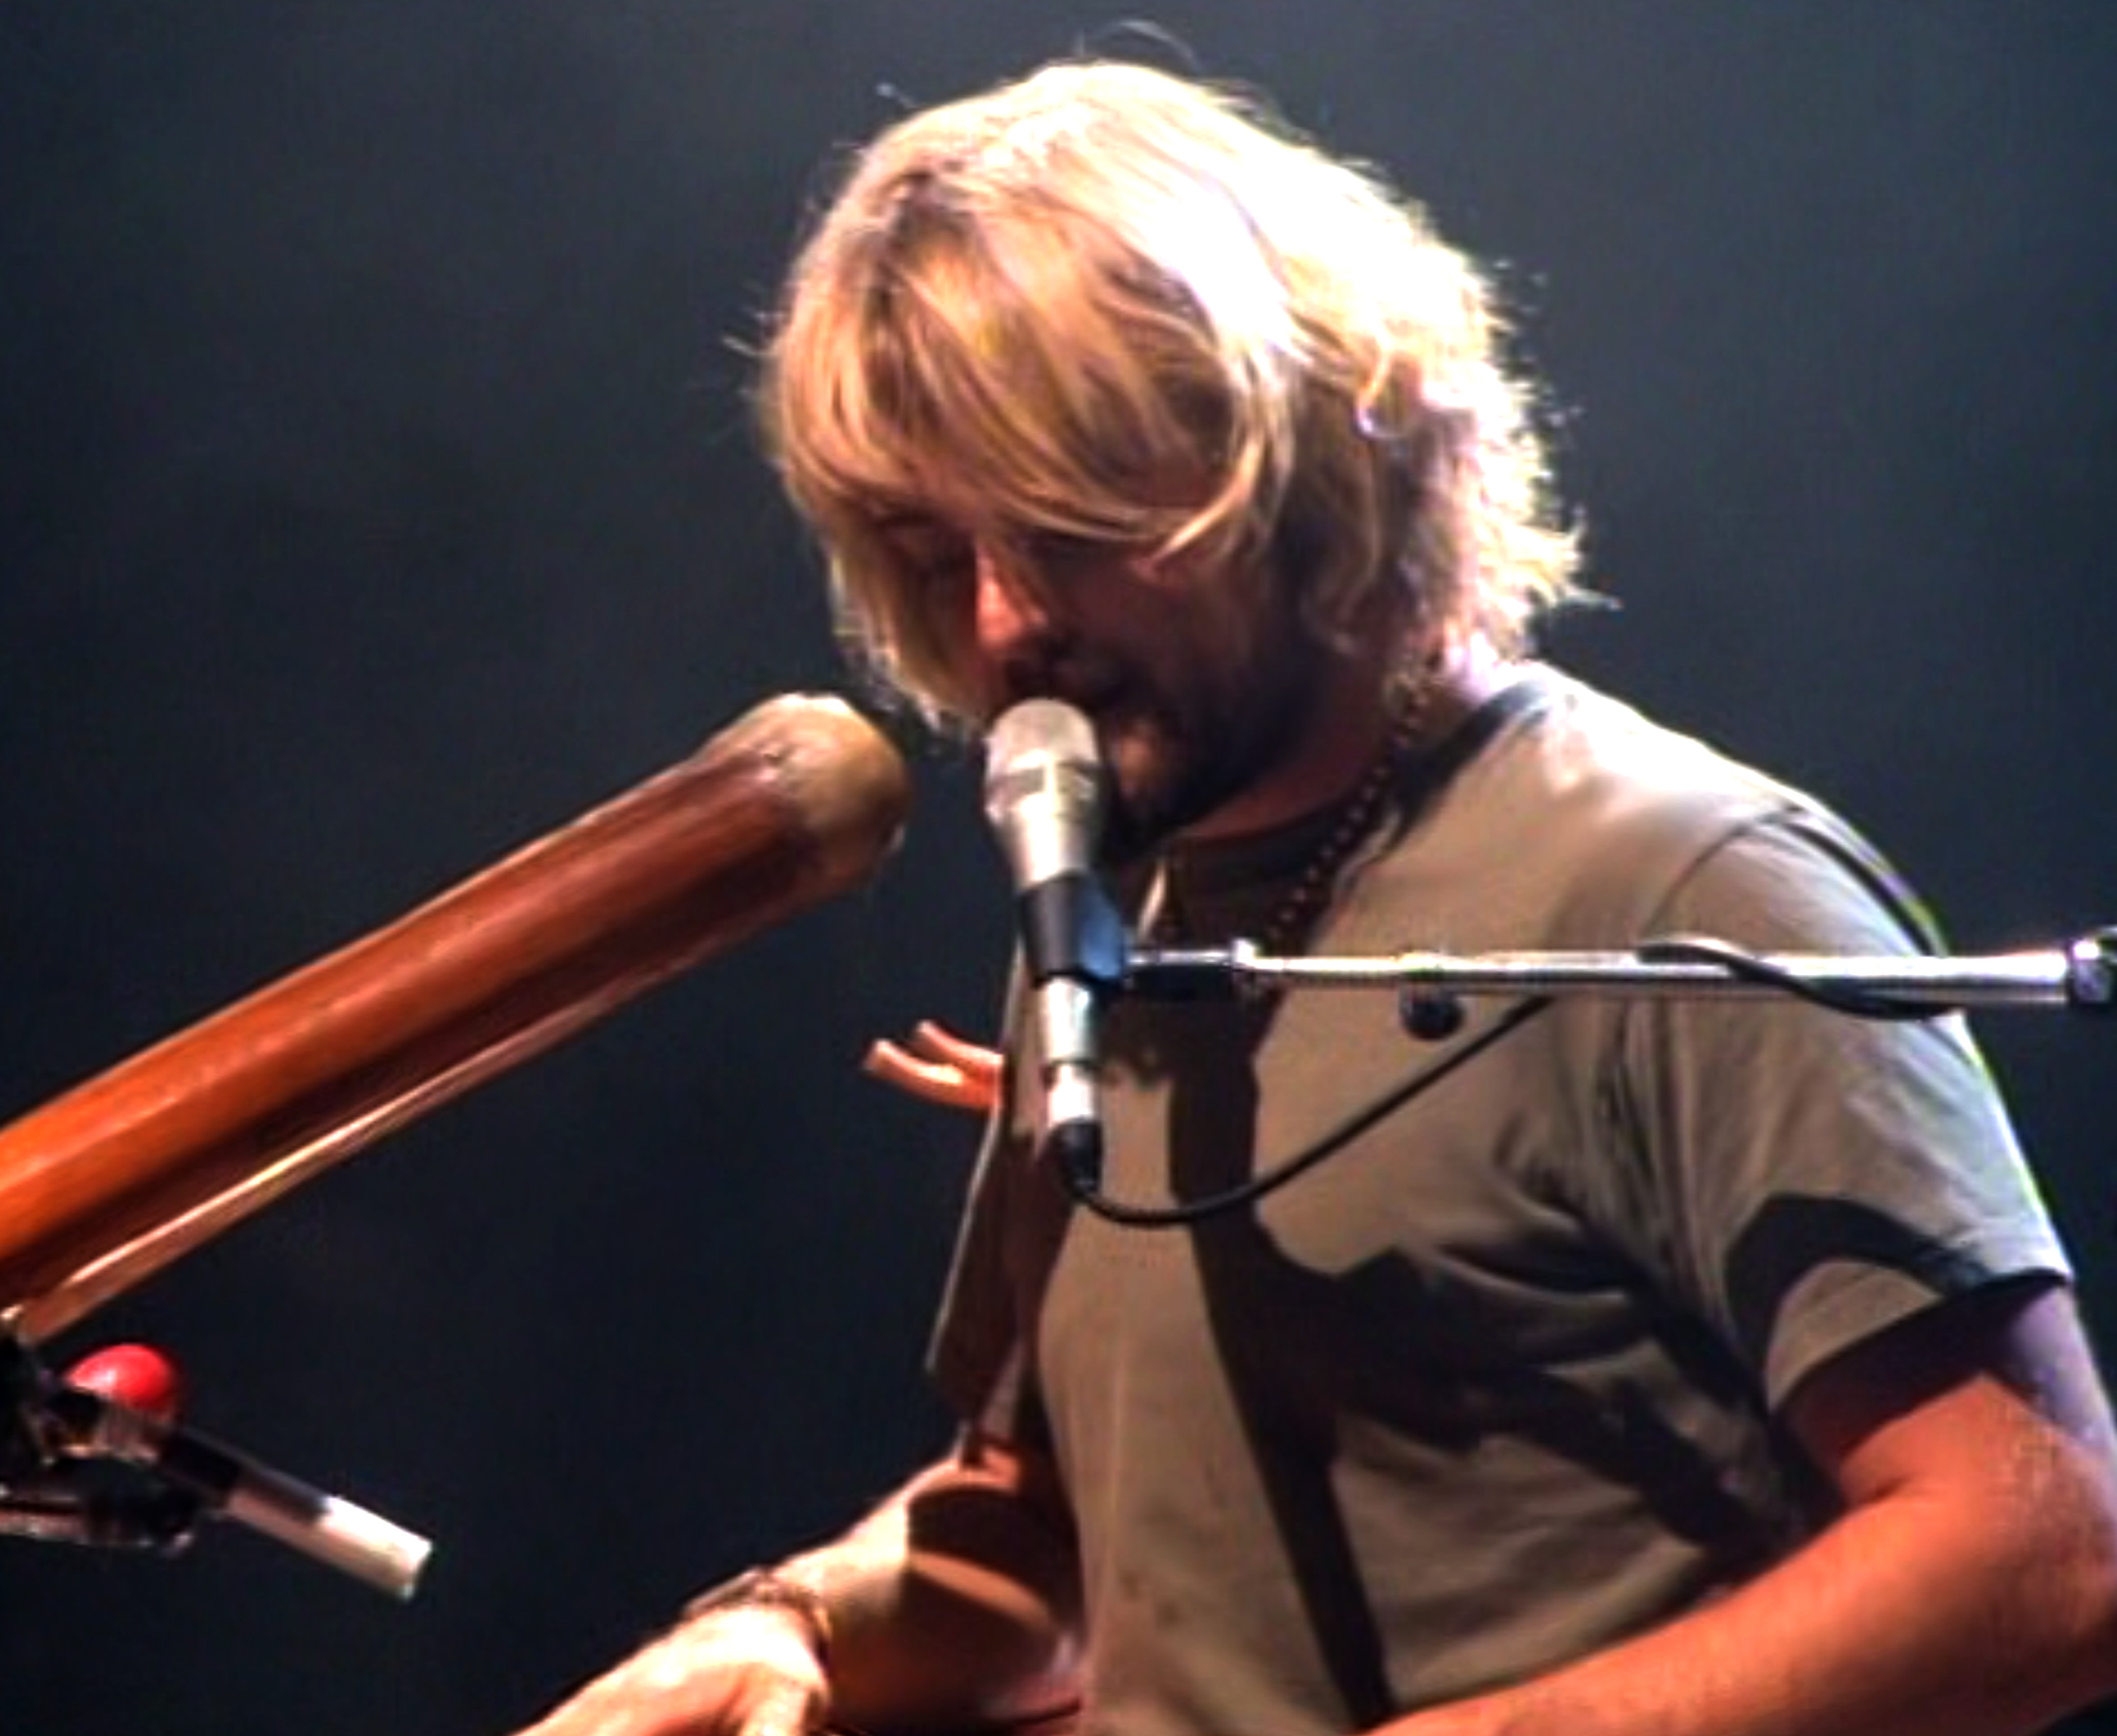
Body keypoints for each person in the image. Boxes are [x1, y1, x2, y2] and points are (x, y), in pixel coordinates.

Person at [513, 59, 2117, 1736]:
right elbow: (1060, 1531)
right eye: (931, 560)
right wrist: (799, 1633)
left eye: (1060, 530)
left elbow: (2042, 1552)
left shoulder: (1675, 882)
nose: (997, 630)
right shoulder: (1111, 908)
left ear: (1291, 444)